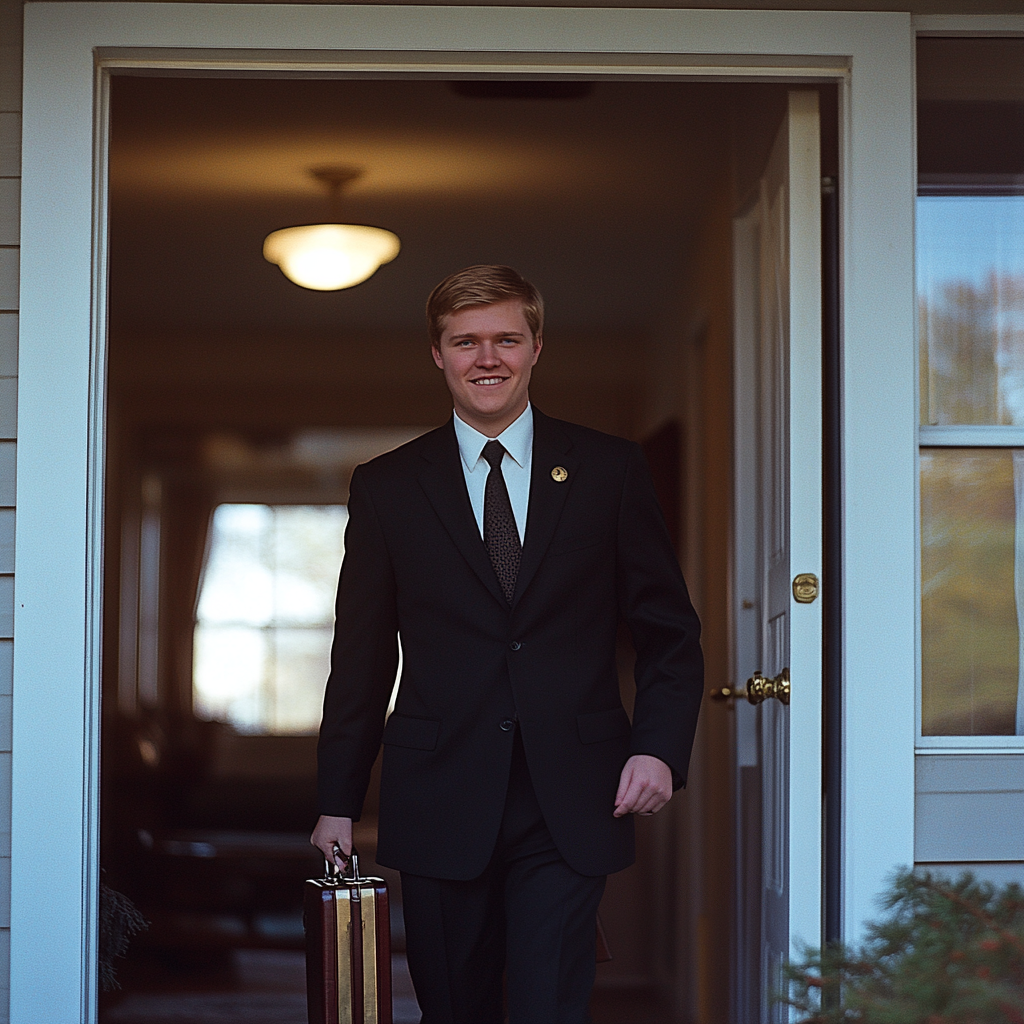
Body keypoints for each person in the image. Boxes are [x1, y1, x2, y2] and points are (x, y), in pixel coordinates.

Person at [311, 265, 703, 1024]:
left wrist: (658, 749)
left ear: (536, 347)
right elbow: (360, 657)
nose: (486, 358)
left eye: (505, 340)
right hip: (439, 793)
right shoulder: (386, 487)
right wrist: (336, 800)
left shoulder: (609, 470)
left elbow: (669, 632)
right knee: (455, 1007)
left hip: (574, 793)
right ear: (437, 354)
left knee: (544, 1003)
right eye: (466, 342)